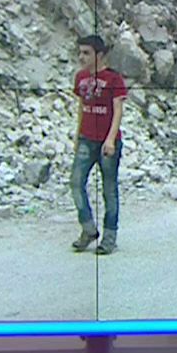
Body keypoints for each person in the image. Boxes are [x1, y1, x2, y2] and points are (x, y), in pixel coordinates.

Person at [69, 34, 126, 255]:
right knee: (76, 182)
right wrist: (77, 135)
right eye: (80, 52)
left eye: (86, 53)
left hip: (106, 141)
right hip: (87, 138)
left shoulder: (113, 79)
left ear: (99, 55)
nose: (81, 57)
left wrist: (110, 139)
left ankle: (109, 236)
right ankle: (88, 228)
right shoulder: (80, 77)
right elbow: (81, 107)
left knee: (109, 189)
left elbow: (118, 110)